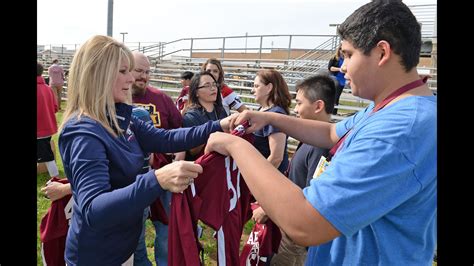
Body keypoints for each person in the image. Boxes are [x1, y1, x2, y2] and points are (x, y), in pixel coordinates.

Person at [205, 1, 437, 265]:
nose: (343, 67)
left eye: (348, 55)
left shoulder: (401, 128)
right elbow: (330, 133)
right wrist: (269, 118)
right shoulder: (389, 108)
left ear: (382, 52)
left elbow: (305, 223)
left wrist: (238, 147)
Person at [57, 35, 235, 266]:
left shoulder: (119, 117)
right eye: (123, 71)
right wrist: (157, 179)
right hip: (96, 256)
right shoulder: (83, 132)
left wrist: (219, 125)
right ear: (97, 74)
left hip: (122, 248)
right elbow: (94, 209)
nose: (132, 78)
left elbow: (166, 138)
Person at [269, 74, 335, 266]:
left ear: (318, 106)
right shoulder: (312, 139)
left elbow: (310, 196)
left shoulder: (320, 147)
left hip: (296, 240)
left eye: (299, 103)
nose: (295, 109)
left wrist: (271, 209)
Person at [130, 51, 184, 266]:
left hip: (164, 173)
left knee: (166, 226)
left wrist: (177, 160)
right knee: (136, 231)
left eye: (147, 72)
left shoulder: (161, 98)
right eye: (138, 71)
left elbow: (179, 132)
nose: (143, 76)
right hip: (134, 178)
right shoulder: (116, 99)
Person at [182, 71, 228, 161]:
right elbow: (193, 151)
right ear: (196, 92)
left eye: (214, 85)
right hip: (200, 167)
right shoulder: (191, 116)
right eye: (207, 85)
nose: (213, 88)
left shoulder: (221, 110)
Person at [37, 62, 60, 179]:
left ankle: (56, 180)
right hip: (47, 129)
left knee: (47, 157)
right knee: (46, 156)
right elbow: (55, 108)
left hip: (39, 130)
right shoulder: (48, 89)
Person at [327, 45, 346, 115]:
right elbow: (330, 68)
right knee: (334, 96)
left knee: (337, 97)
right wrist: (339, 69)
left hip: (342, 80)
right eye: (342, 50)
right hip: (335, 78)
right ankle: (330, 113)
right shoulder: (335, 58)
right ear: (339, 50)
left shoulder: (346, 59)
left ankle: (334, 113)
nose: (342, 52)